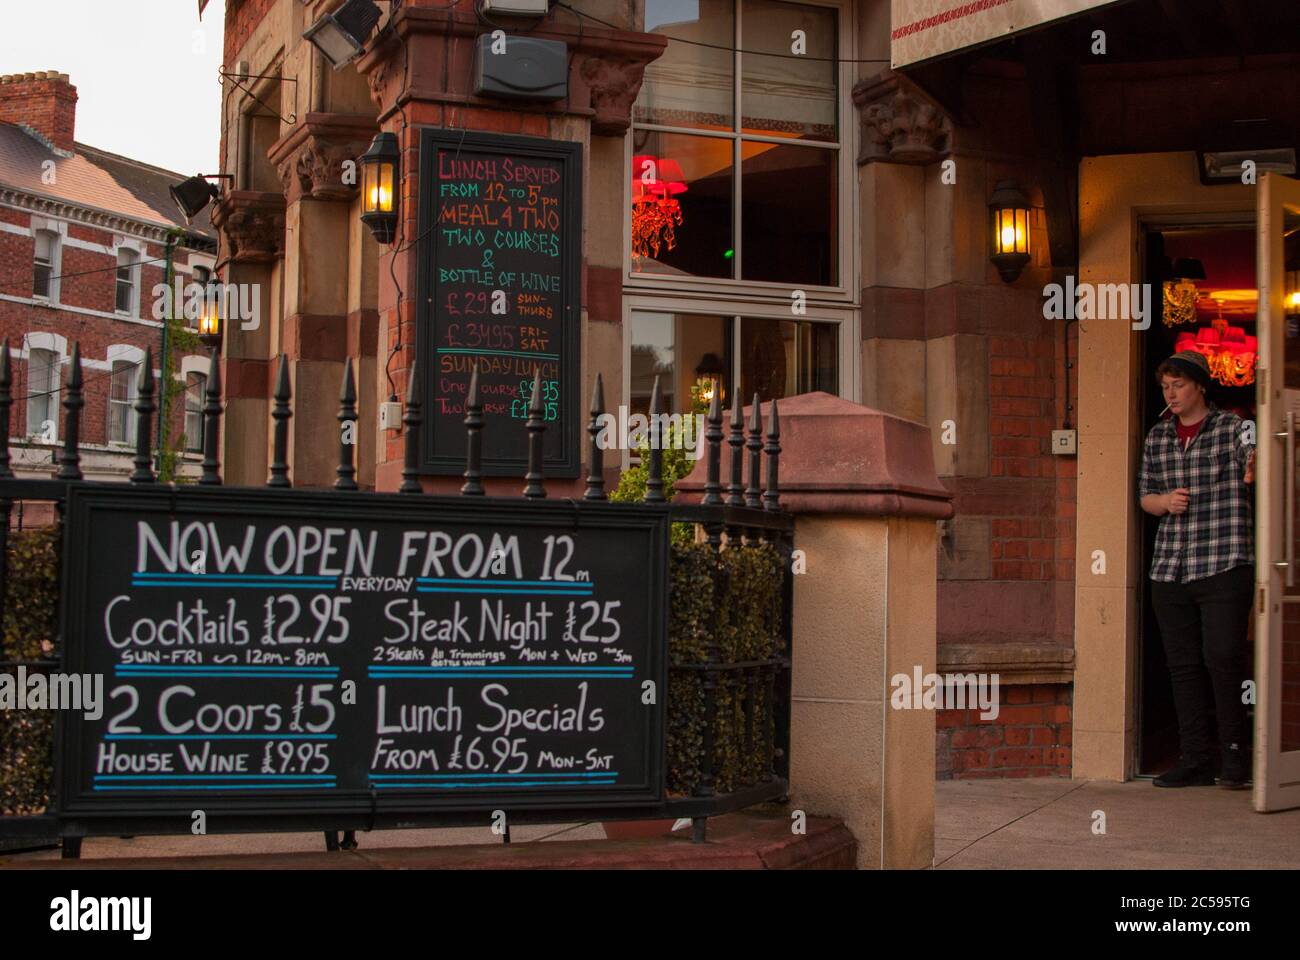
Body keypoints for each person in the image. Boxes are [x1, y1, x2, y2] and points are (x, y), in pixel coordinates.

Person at [1139, 350, 1256, 789]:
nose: (1171, 393)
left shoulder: (1230, 427)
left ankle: (1235, 757)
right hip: (1169, 567)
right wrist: (1164, 502)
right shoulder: (1158, 437)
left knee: (1223, 658)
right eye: (1166, 387)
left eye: (1179, 385)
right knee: (1182, 665)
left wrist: (1254, 466)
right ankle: (1195, 758)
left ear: (1200, 386)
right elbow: (1144, 496)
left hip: (1223, 561)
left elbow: (1257, 452)